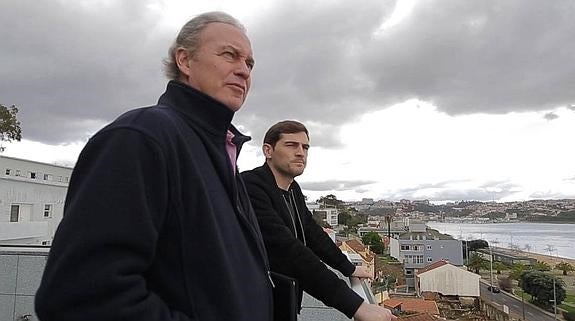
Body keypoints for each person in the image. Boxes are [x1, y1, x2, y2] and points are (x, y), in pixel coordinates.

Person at [35, 12, 273, 321]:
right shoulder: (141, 138)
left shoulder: (221, 149)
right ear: (185, 61)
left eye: (249, 63)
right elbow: (81, 297)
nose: (243, 71)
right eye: (230, 55)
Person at [241, 120, 396, 321]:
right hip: (255, 302)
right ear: (268, 151)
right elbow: (289, 251)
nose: (300, 153)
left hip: (283, 300)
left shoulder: (292, 190)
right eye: (291, 145)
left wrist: (347, 267)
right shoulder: (250, 187)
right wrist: (356, 306)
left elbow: (312, 233)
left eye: (305, 147)